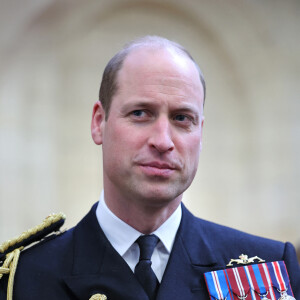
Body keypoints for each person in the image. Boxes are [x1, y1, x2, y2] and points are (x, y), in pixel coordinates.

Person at [0, 36, 299, 300]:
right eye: (140, 113)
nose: (162, 140)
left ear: (201, 133)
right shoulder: (24, 277)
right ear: (98, 123)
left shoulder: (268, 269)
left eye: (182, 118)